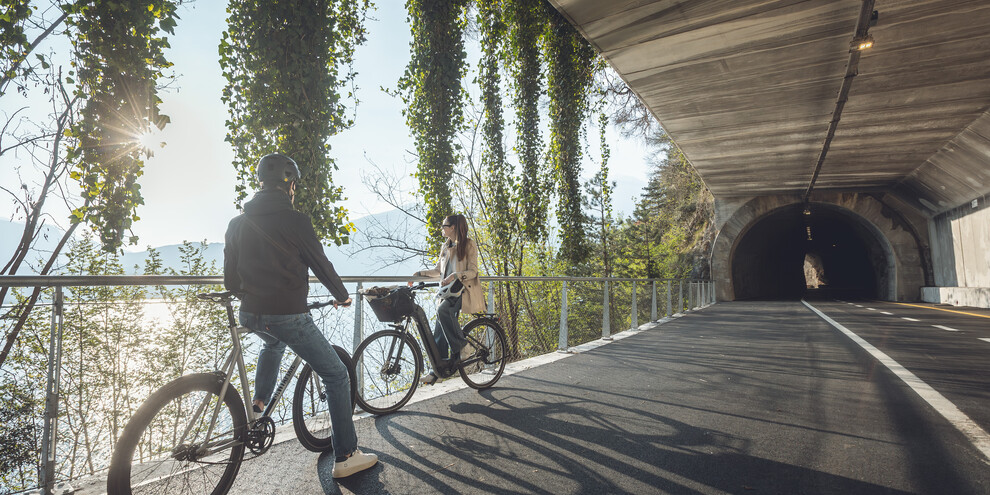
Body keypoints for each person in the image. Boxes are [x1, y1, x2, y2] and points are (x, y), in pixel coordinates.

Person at [223, 153, 377, 478]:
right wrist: (343, 295)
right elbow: (320, 264)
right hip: (288, 315)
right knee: (336, 375)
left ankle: (259, 404)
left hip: (250, 313)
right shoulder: (295, 221)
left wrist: (258, 302)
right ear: (290, 184)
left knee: (273, 342)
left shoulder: (237, 223)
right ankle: (347, 455)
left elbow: (230, 282)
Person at [411, 214, 485, 385]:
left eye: (444, 225)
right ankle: (437, 371)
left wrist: (455, 276)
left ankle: (462, 346)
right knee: (439, 333)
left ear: (452, 227)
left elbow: (473, 271)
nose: (442, 228)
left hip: (463, 292)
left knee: (443, 311)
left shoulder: (469, 244)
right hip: (448, 293)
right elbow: (438, 270)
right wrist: (419, 274)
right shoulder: (445, 246)